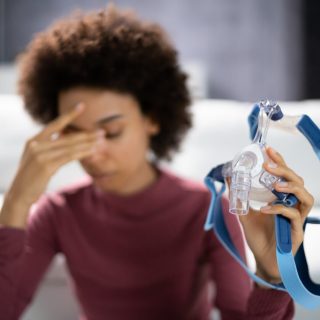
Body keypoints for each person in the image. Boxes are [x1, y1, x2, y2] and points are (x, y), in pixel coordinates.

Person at [0, 5, 314, 320]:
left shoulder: (205, 209)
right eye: (74, 134)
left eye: (111, 131)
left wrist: (271, 278)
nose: (92, 153)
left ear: (151, 118)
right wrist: (16, 201)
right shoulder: (58, 212)